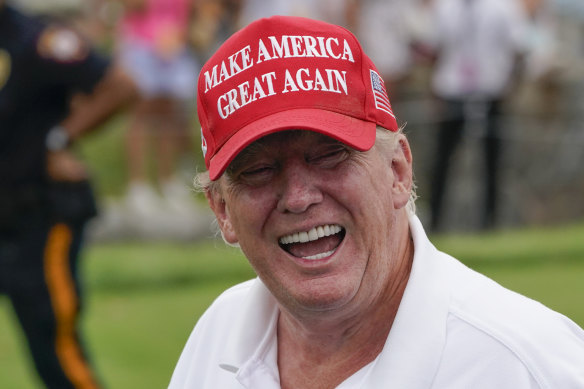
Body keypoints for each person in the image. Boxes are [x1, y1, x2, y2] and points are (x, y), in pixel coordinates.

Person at [169, 15, 584, 389]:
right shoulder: (217, 334)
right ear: (222, 210)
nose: (298, 198)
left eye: (330, 155)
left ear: (398, 171)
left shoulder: (528, 366)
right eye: (258, 171)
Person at [0, 2, 136, 388]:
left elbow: (122, 86)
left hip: (40, 215)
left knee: (52, 341)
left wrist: (59, 139)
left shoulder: (38, 39)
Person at [425, 0, 530, 231]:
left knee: (492, 162)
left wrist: (511, 86)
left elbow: (519, 48)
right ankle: (435, 222)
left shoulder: (504, 7)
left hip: (491, 90)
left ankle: (489, 223)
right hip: (453, 91)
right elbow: (435, 48)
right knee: (442, 160)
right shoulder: (445, 7)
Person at [116, 0, 200, 223]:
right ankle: (139, 186)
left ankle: (168, 182)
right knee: (141, 116)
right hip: (141, 45)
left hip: (173, 46)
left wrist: (177, 35)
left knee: (170, 119)